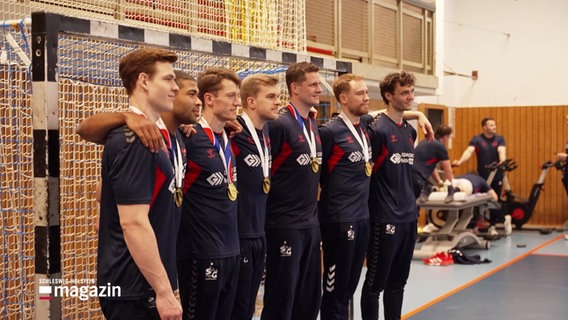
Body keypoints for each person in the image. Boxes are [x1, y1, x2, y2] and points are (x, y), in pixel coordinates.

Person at [94, 47, 183, 320]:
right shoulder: (135, 141)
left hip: (142, 286)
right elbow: (132, 223)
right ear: (144, 81)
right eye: (167, 79)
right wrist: (164, 291)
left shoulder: (151, 135)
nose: (176, 87)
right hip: (134, 289)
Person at [176, 67, 241, 320]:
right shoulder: (188, 138)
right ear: (209, 99)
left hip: (231, 251)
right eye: (231, 96)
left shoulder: (228, 136)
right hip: (200, 253)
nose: (237, 102)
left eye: (238, 96)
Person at [261, 61, 322, 320]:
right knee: (281, 299)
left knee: (309, 300)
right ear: (295, 88)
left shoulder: (311, 124)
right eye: (314, 85)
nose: (319, 90)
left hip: (310, 224)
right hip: (284, 224)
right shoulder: (280, 125)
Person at [361, 71, 418, 320]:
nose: (410, 97)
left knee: (398, 284)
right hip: (384, 218)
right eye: (404, 92)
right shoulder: (377, 130)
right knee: (375, 285)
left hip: (409, 218)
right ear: (388, 95)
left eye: (412, 91)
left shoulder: (409, 131)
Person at [318, 74, 372, 320]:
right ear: (343, 98)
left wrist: (419, 115)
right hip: (339, 220)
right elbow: (317, 177)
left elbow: (386, 113)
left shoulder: (366, 127)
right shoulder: (331, 132)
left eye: (366, 92)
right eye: (360, 93)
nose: (367, 97)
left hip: (362, 218)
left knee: (349, 288)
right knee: (335, 292)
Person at [230, 74, 280, 319]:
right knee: (236, 309)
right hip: (237, 236)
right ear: (250, 102)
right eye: (270, 97)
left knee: (249, 308)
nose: (277, 102)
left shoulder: (267, 132)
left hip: (259, 233)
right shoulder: (233, 131)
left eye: (278, 96)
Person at [452, 117, 510, 235]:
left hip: (496, 175)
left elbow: (502, 151)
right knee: (479, 201)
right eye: (491, 125)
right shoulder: (477, 140)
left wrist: (502, 161)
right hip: (482, 176)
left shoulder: (499, 139)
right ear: (484, 127)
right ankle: (476, 225)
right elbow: (469, 151)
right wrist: (460, 161)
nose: (494, 127)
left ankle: (493, 226)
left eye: (495, 125)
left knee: (494, 199)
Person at [413, 124, 455, 199]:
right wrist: (451, 186)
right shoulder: (440, 146)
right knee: (416, 203)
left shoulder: (426, 140)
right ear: (446, 137)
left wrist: (439, 181)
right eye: (449, 138)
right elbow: (448, 169)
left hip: (410, 175)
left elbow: (431, 165)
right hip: (417, 178)